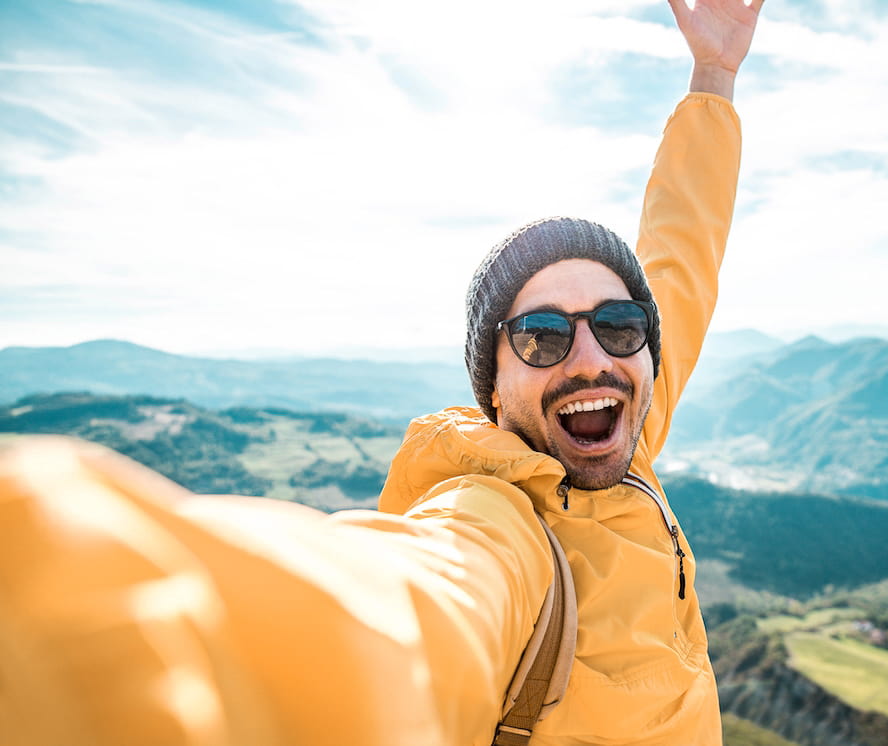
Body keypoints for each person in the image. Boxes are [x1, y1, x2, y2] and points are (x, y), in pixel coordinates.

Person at [0, 1, 762, 744]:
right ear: (492, 389)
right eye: (540, 336)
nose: (592, 356)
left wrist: (713, 76)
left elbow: (680, 257)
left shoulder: (627, 436)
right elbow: (395, 613)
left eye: (620, 325)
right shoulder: (501, 529)